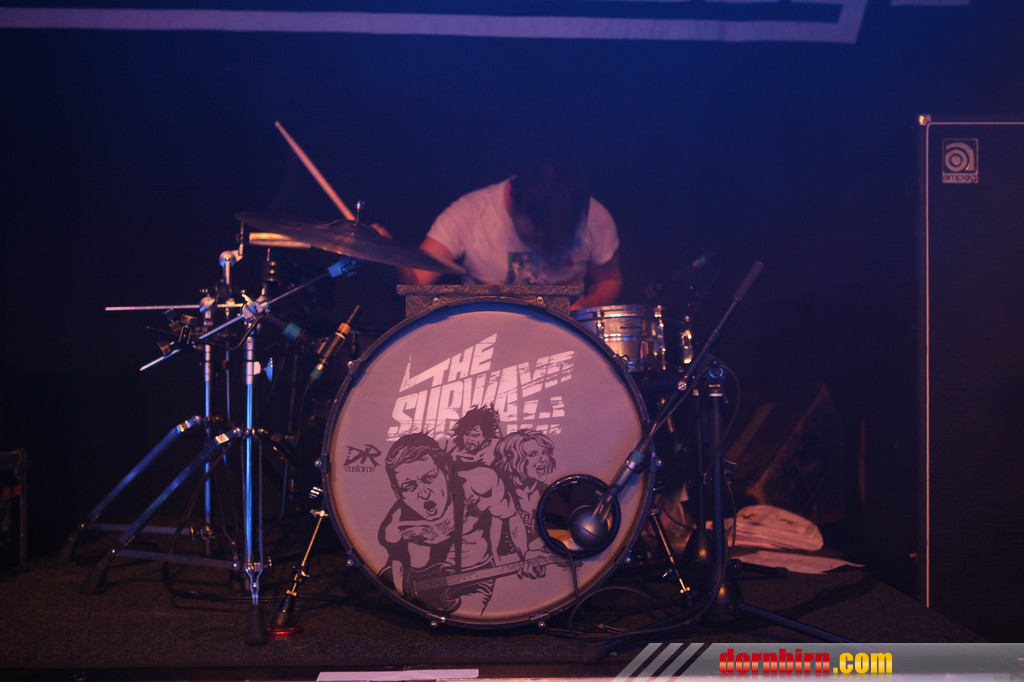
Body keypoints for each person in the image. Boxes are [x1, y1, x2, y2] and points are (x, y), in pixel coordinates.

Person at [391, 158, 623, 311]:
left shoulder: (595, 216)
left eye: (558, 233)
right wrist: (388, 256)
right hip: (485, 341)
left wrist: (586, 306)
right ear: (514, 201)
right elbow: (416, 280)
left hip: (565, 340)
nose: (548, 239)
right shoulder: (470, 213)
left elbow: (609, 279)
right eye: (541, 230)